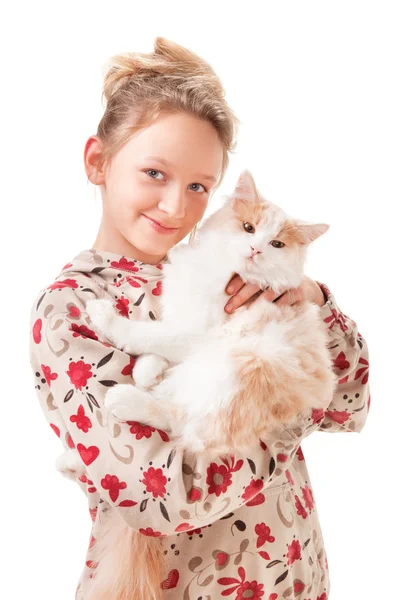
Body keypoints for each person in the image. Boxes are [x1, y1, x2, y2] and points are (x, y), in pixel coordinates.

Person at [29, 37, 370, 600]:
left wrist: (308, 297)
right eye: (154, 174)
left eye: (197, 187)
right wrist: (287, 406)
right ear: (98, 162)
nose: (175, 207)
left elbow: (352, 401)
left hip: (295, 578)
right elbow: (165, 495)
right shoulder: (71, 309)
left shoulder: (226, 274)